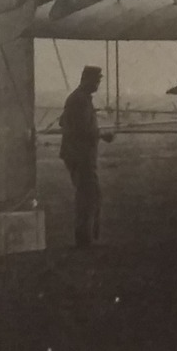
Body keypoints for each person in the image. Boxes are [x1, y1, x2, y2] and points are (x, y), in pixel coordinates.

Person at [60, 65, 115, 247]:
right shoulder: (80, 100)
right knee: (89, 196)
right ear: (87, 79)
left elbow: (63, 121)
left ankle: (86, 237)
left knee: (89, 195)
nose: (98, 84)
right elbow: (82, 130)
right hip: (80, 156)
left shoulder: (78, 98)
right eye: (97, 80)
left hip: (78, 155)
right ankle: (84, 239)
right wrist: (102, 135)